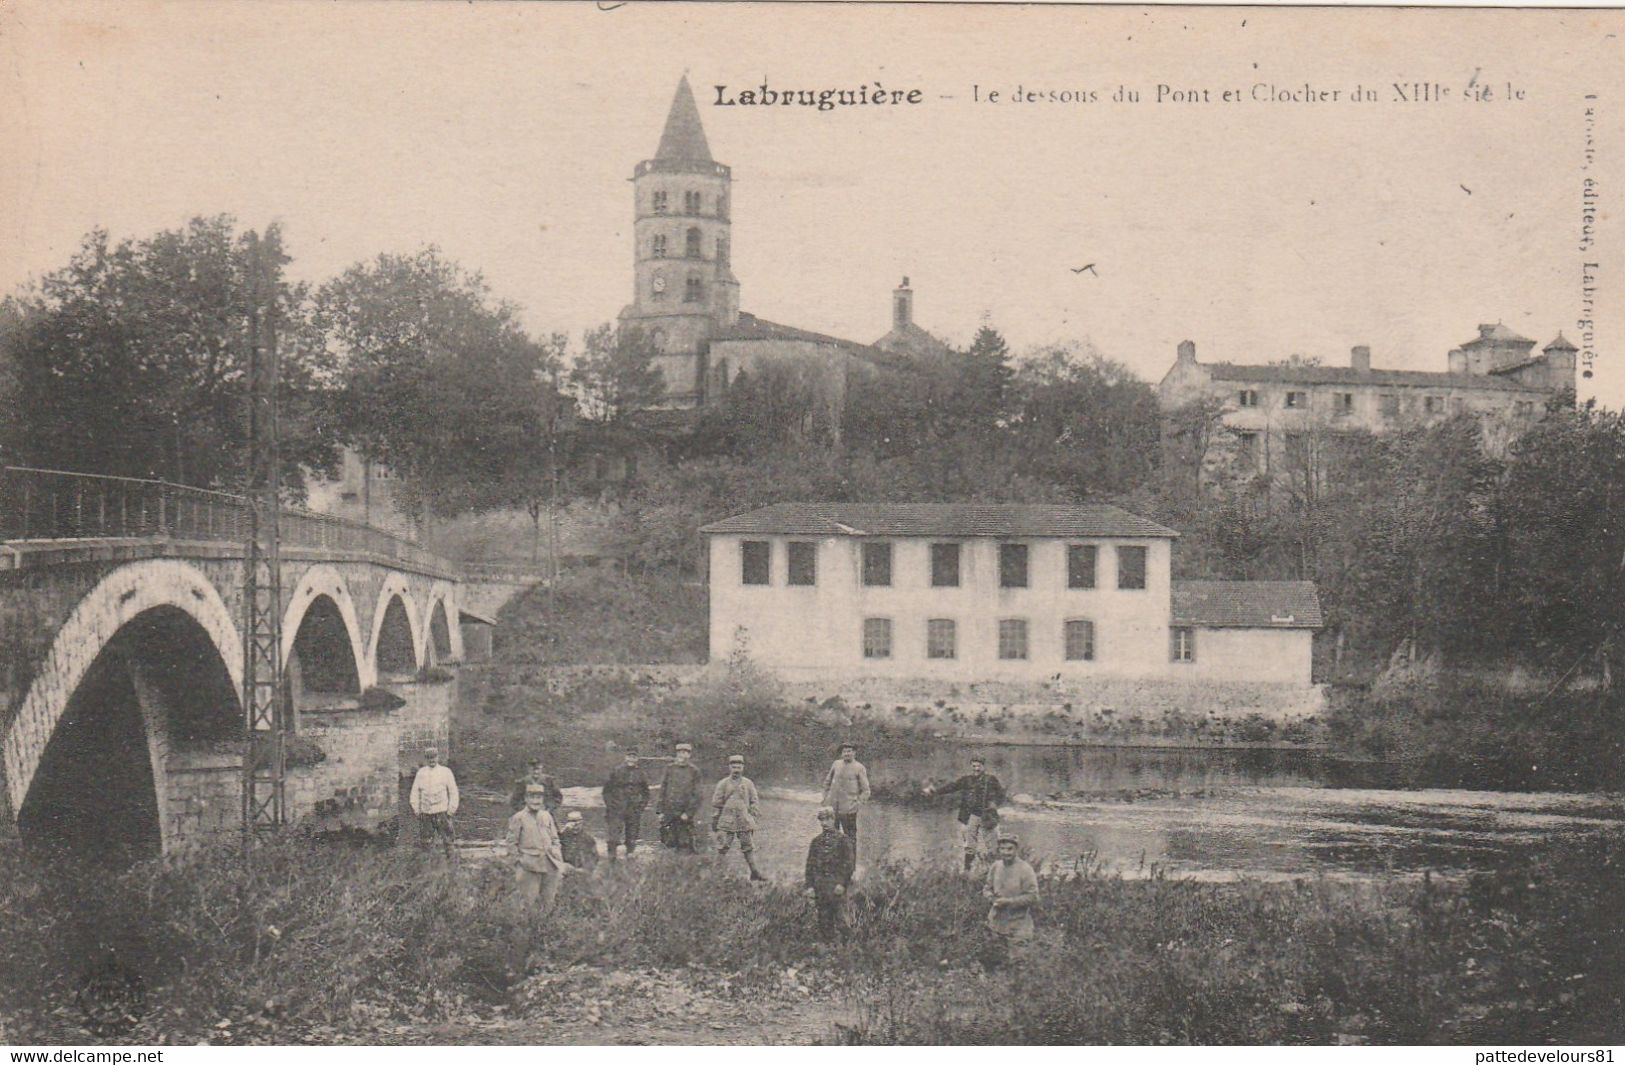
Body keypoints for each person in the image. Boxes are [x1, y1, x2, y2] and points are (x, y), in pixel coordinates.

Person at [923, 756, 1006, 871]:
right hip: (971, 816)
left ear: (984, 766)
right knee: (969, 846)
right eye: (974, 766)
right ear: (971, 766)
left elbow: (1001, 794)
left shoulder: (991, 779)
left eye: (979, 766)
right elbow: (952, 787)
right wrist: (935, 791)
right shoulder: (966, 780)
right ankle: (967, 871)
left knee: (993, 846)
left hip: (987, 816)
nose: (976, 769)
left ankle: (997, 871)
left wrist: (994, 804)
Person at [506, 782, 565, 917]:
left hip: (550, 864)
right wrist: (519, 863)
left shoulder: (547, 816)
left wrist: (556, 854)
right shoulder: (518, 818)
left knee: (548, 903)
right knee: (527, 905)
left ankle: (545, 931)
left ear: (543, 799)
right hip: (528, 867)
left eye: (539, 798)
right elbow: (511, 843)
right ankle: (526, 932)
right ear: (526, 799)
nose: (535, 801)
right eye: (532, 797)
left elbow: (555, 838)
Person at [803, 806, 857, 940]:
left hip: (836, 887)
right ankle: (829, 951)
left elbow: (849, 865)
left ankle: (848, 950)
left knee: (842, 922)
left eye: (827, 819)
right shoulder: (816, 842)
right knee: (824, 921)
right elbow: (810, 866)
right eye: (821, 820)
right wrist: (809, 886)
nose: (824, 823)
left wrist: (842, 884)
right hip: (820, 887)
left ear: (834, 819)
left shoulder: (843, 840)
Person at [711, 754, 766, 882]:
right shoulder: (723, 783)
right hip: (726, 820)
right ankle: (716, 874)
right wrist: (719, 815)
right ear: (729, 767)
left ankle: (755, 873)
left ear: (743, 767)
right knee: (722, 847)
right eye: (734, 767)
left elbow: (754, 801)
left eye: (739, 767)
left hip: (744, 820)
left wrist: (753, 814)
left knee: (748, 847)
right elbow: (716, 802)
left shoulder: (748, 783)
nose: (736, 769)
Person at [983, 834, 1040, 947]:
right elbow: (987, 888)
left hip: (1018, 926)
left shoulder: (1025, 869)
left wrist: (1009, 902)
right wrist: (991, 898)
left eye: (1010, 849)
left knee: (1017, 961)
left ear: (1016, 849)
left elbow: (1033, 897)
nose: (1006, 853)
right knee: (994, 959)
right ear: (998, 850)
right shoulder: (996, 866)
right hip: (995, 923)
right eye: (1002, 849)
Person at [409, 746, 459, 856]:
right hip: (426, 813)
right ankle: (429, 866)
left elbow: (453, 792)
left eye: (434, 757)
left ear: (438, 757)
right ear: (426, 759)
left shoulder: (446, 772)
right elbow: (414, 793)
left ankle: (451, 864)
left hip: (442, 812)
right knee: (426, 842)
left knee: (448, 840)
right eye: (429, 758)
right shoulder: (421, 773)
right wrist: (417, 809)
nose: (432, 760)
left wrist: (451, 810)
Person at [601, 749, 651, 860]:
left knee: (632, 836)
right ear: (625, 757)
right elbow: (606, 791)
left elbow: (646, 793)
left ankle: (629, 856)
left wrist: (641, 807)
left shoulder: (641, 773)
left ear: (637, 759)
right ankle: (611, 858)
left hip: (633, 809)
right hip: (616, 808)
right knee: (613, 836)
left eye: (634, 757)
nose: (631, 759)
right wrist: (610, 805)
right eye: (629, 756)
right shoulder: (616, 771)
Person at [821, 742, 871, 847]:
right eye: (844, 751)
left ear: (854, 753)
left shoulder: (859, 767)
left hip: (849, 811)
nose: (846, 754)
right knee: (831, 837)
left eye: (849, 751)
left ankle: (850, 863)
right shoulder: (836, 764)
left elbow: (866, 791)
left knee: (850, 839)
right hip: (832, 809)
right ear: (841, 753)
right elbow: (827, 783)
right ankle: (834, 862)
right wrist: (825, 798)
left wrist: (856, 805)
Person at [658, 742, 704, 852]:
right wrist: (660, 811)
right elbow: (663, 790)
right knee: (668, 842)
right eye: (679, 753)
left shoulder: (694, 771)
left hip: (684, 814)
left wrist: (688, 813)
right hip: (669, 812)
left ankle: (685, 865)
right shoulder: (669, 769)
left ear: (689, 755)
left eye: (684, 753)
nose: (682, 755)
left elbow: (697, 795)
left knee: (684, 844)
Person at [559, 810, 599, 875]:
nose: (575, 826)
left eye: (578, 823)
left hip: (581, 873)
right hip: (564, 872)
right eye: (572, 823)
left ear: (582, 823)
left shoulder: (588, 839)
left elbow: (594, 859)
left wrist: (582, 870)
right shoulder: (562, 837)